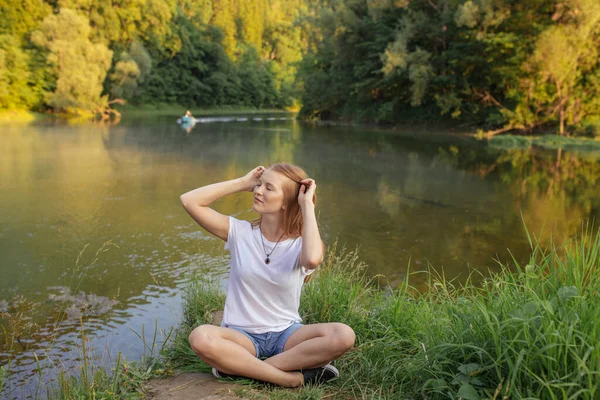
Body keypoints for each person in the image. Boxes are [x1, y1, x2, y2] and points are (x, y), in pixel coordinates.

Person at [180, 163, 355, 388]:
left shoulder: (302, 244)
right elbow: (189, 201)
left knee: (343, 335)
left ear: (286, 202)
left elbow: (312, 259)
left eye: (268, 188)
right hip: (242, 337)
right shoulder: (239, 233)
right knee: (200, 337)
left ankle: (240, 367)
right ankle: (289, 379)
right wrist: (243, 182)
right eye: (259, 185)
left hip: (287, 335)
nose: (258, 191)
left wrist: (306, 206)